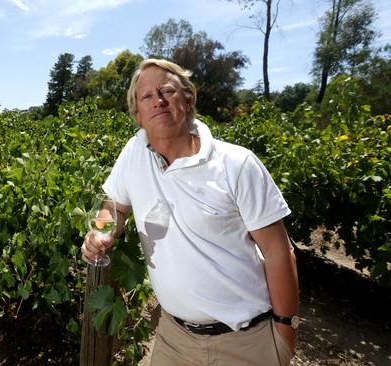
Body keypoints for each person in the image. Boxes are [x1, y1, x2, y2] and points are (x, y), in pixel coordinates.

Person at [81, 58, 299, 366]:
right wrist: (100, 231)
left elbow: (279, 251)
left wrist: (286, 330)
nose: (157, 100)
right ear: (139, 115)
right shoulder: (134, 153)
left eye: (167, 91)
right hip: (173, 339)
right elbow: (115, 207)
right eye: (146, 96)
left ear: (188, 99)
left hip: (246, 341)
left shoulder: (237, 164)